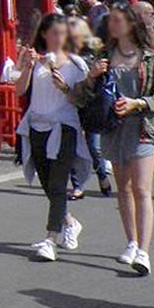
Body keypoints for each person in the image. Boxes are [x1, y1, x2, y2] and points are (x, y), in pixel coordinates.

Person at [72, 2, 154, 275]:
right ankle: (131, 241)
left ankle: (144, 251)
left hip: (143, 128)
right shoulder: (103, 56)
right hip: (113, 129)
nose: (112, 24)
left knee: (142, 189)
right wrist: (92, 76)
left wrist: (138, 103)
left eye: (117, 20)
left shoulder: (151, 58)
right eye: (110, 20)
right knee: (123, 189)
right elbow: (83, 96)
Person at [13, 14, 90, 262]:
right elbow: (20, 90)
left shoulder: (76, 65)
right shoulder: (36, 62)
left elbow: (83, 100)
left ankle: (50, 239)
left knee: (58, 184)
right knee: (46, 182)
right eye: (54, 33)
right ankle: (69, 222)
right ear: (45, 34)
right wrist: (26, 67)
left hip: (64, 127)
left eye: (63, 33)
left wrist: (65, 88)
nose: (59, 38)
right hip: (37, 125)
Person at [67, 16, 112, 199]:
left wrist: (96, 74)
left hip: (92, 105)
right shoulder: (63, 56)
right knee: (71, 147)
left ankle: (102, 174)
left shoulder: (97, 52)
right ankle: (78, 185)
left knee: (94, 147)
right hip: (71, 103)